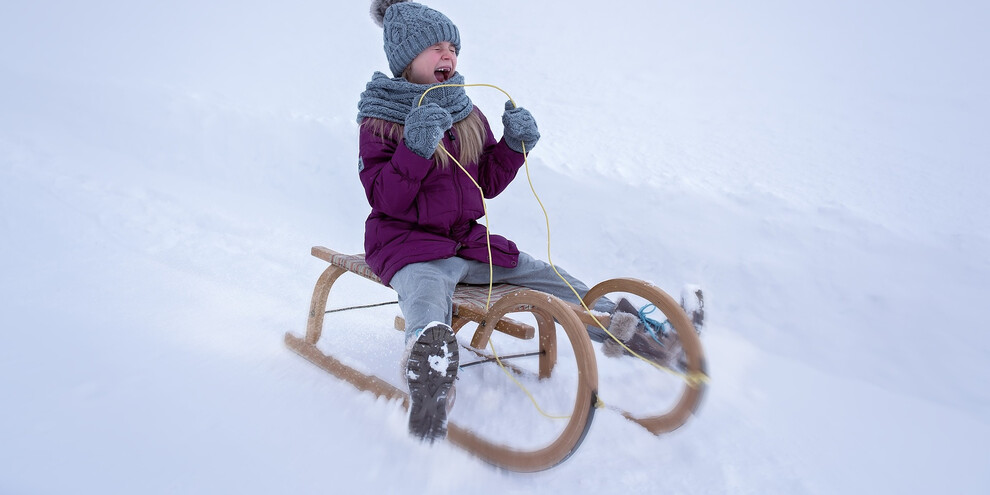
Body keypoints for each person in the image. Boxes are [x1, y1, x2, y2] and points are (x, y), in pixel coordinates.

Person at [357, 0, 703, 442]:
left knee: (543, 274)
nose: (449, 56)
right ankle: (431, 372)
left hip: (466, 243)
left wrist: (513, 146)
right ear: (406, 58)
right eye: (435, 47)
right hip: (408, 245)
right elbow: (385, 197)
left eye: (453, 47)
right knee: (425, 292)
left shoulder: (466, 113)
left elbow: (483, 182)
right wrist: (415, 146)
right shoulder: (381, 120)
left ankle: (635, 330)